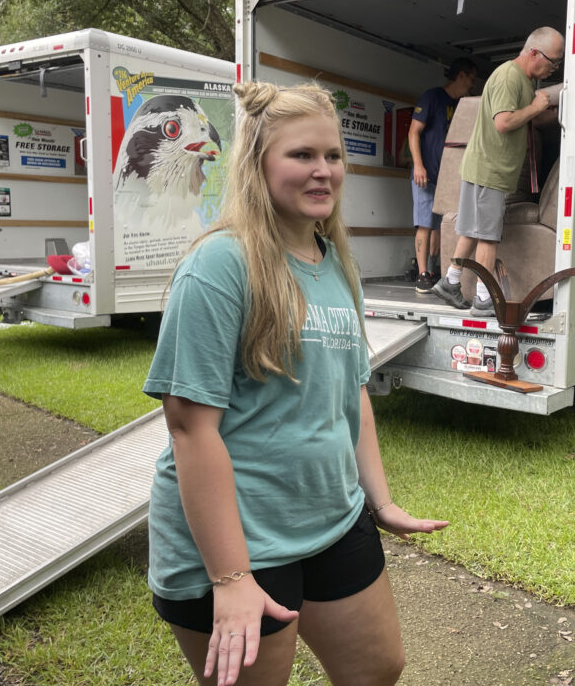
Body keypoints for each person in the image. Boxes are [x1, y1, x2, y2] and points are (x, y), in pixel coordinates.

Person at [143, 81, 449, 686]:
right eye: (302, 155)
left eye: (332, 156)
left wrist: (379, 500)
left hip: (332, 519)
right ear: (258, 164)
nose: (323, 172)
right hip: (240, 541)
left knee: (379, 668)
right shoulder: (218, 266)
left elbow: (351, 390)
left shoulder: (334, 260)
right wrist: (231, 578)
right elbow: (189, 428)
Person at [432, 26, 563, 316]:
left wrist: (544, 109)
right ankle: (483, 299)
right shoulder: (509, 77)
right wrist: (537, 105)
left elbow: (523, 119)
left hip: (485, 168)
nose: (553, 68)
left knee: (470, 229)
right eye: (553, 61)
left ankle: (450, 282)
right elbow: (503, 122)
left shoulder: (525, 80)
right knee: (488, 236)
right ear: (534, 53)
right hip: (488, 170)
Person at [409, 57, 478, 293]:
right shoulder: (432, 97)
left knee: (442, 225)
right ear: (460, 76)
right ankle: (422, 274)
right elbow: (413, 132)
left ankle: (439, 271)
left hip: (447, 176)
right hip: (425, 174)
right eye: (470, 79)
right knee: (425, 223)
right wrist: (418, 165)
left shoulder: (462, 104)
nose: (471, 85)